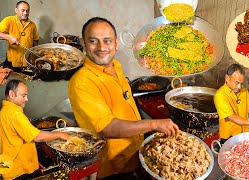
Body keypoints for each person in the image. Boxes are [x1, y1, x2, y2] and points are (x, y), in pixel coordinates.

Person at [68, 17, 179, 179]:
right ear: (83, 43)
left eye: (107, 41)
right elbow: (108, 128)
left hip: (133, 154)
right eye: (93, 41)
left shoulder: (115, 66)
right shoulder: (82, 82)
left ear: (116, 43)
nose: (101, 47)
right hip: (113, 166)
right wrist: (154, 124)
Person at [0, 79, 70, 179]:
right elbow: (38, 137)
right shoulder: (14, 114)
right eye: (23, 95)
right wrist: (60, 134)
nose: (26, 99)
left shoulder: (5, 110)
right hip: (18, 169)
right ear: (12, 94)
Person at [214, 63, 249, 144]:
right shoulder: (220, 95)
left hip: (244, 132)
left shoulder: (244, 91)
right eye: (237, 83)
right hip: (229, 136)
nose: (239, 87)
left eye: (241, 83)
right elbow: (231, 117)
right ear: (227, 78)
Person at [0, 1, 39, 72]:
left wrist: (34, 55)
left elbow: (35, 40)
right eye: (23, 10)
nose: (25, 13)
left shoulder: (32, 25)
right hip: (12, 62)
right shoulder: (9, 20)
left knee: (27, 80)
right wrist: (9, 37)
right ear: (16, 10)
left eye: (27, 10)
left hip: (28, 61)